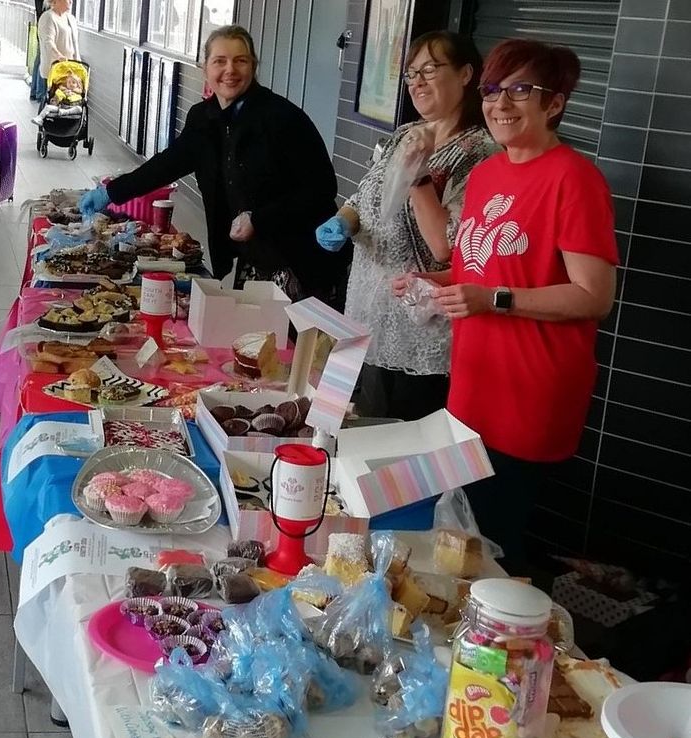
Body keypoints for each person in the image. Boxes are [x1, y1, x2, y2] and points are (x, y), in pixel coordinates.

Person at [392, 38, 619, 570]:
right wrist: (431, 281)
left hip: (529, 390)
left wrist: (492, 299)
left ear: (554, 103)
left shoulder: (574, 179)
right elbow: (480, 268)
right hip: (475, 379)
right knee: (462, 536)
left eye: (522, 90)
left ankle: (510, 644)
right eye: (494, 90)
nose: (500, 103)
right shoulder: (491, 173)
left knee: (495, 542)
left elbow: (594, 296)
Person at [80, 25, 348, 308]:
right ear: (204, 67)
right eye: (220, 61)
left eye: (240, 60)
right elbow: (165, 165)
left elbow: (322, 188)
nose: (230, 70)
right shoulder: (204, 118)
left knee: (294, 350)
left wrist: (258, 219)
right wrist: (111, 192)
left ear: (254, 66)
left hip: (303, 260)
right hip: (257, 260)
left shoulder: (282, 118)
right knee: (251, 342)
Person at [315, 31, 495, 421]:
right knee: (344, 426)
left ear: (466, 74)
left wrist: (418, 175)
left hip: (417, 329)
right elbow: (364, 197)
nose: (417, 82)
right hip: (363, 311)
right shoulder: (405, 134)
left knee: (395, 447)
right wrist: (342, 221)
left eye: (429, 69)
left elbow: (448, 246)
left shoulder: (479, 151)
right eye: (411, 74)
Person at [37, 0, 79, 84]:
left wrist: (77, 61)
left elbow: (75, 43)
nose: (71, 1)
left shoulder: (71, 18)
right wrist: (59, 56)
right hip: (54, 69)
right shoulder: (48, 17)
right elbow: (48, 42)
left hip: (69, 68)